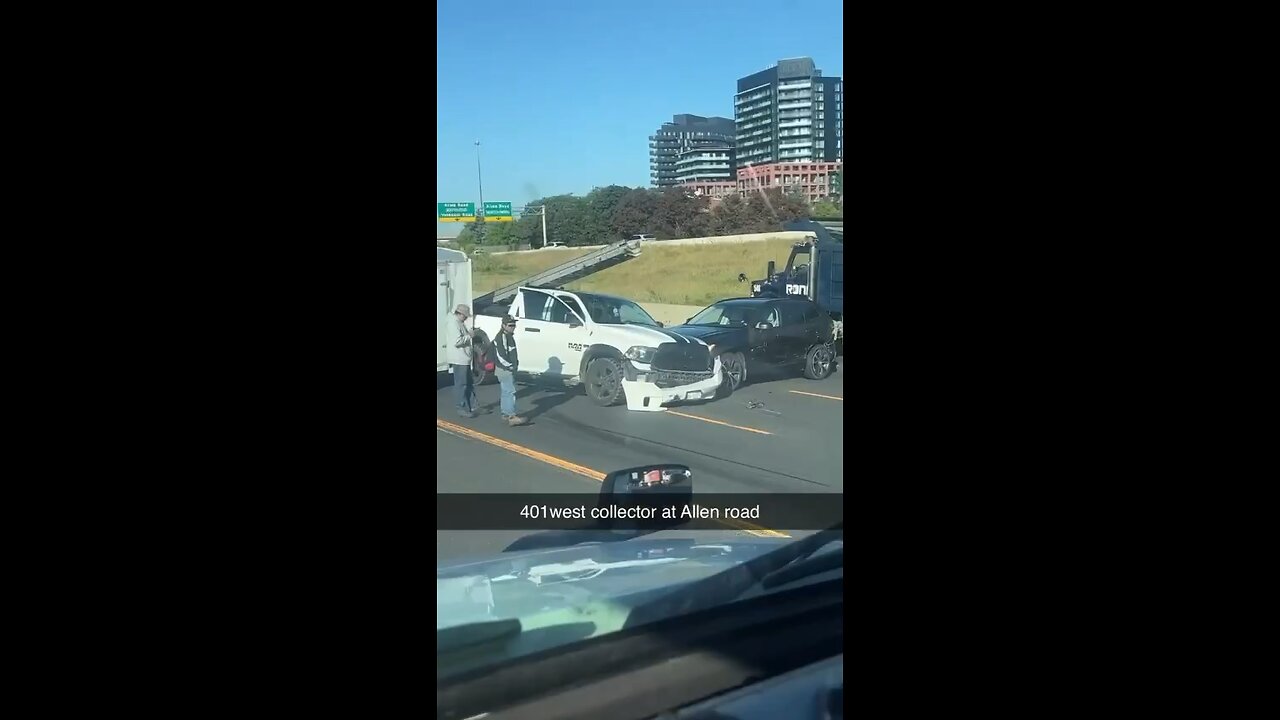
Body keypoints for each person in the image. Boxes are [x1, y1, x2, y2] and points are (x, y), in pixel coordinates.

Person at [493, 315, 528, 426]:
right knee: (510, 391)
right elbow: (501, 355)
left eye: (514, 324)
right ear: (503, 325)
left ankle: (505, 414)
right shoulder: (501, 337)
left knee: (505, 391)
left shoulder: (508, 336)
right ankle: (511, 416)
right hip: (504, 369)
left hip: (505, 368)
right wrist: (510, 366)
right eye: (510, 325)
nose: (513, 327)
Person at [448, 304, 476, 418]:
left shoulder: (459, 323)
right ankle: (461, 407)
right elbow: (457, 341)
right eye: (465, 316)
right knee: (461, 384)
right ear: (460, 314)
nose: (466, 318)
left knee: (468, 382)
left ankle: (472, 405)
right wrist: (469, 336)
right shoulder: (453, 324)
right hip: (459, 358)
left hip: (463, 358)